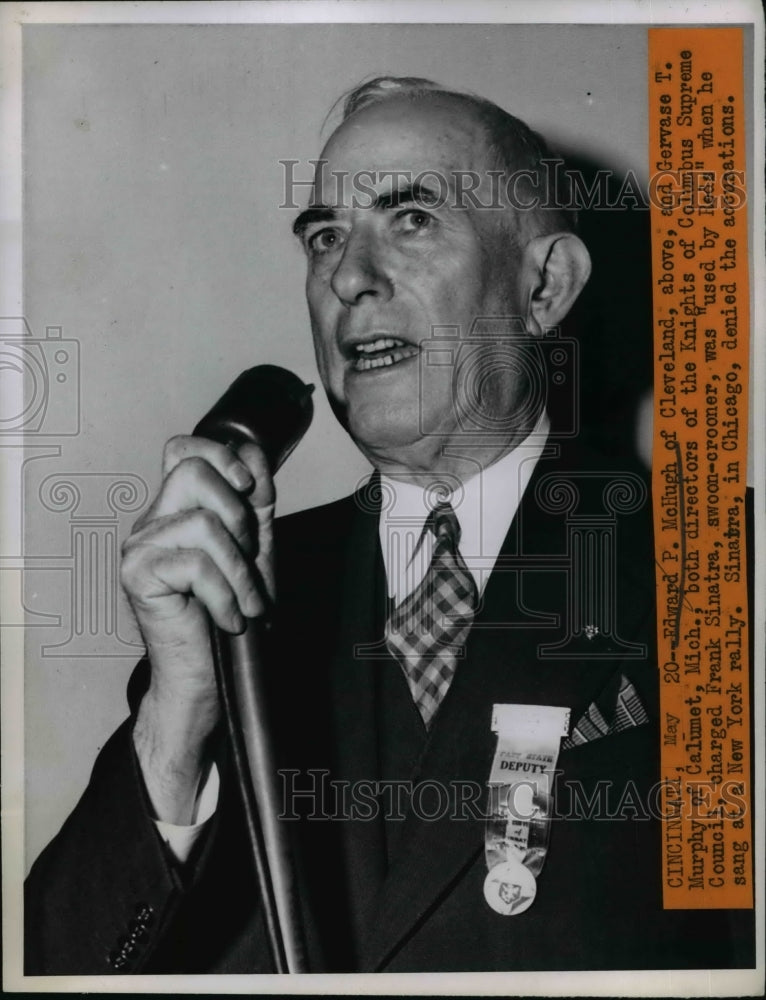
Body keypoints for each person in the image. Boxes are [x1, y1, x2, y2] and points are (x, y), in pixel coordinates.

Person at [24, 76, 752, 974]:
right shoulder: (240, 594)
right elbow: (57, 965)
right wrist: (178, 716)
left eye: (411, 219)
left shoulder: (719, 574)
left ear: (545, 286)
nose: (348, 278)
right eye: (326, 235)